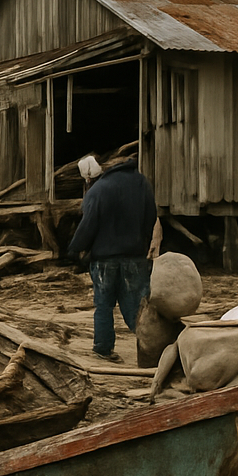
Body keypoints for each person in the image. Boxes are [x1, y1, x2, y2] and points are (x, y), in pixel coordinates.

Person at [65, 153, 157, 361]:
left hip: (104, 259)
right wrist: (142, 242)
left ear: (88, 177)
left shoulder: (97, 191)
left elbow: (88, 225)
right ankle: (153, 348)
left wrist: (75, 249)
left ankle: (103, 349)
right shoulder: (141, 182)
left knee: (104, 304)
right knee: (137, 306)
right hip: (134, 256)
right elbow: (150, 216)